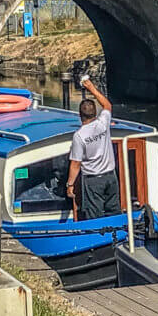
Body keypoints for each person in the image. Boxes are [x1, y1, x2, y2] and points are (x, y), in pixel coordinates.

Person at [66, 77, 119, 220]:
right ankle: (117, 237)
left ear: (79, 115)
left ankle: (99, 239)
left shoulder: (79, 136)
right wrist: (92, 88)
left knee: (95, 216)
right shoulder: (103, 123)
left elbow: (75, 164)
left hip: (94, 181)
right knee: (113, 211)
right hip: (111, 177)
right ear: (95, 113)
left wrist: (70, 185)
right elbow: (107, 105)